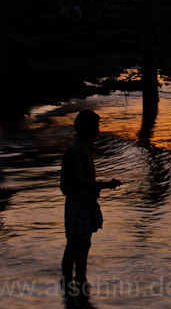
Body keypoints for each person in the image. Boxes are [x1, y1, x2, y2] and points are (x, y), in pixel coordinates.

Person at [60, 109, 121, 298]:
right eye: (95, 126)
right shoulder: (76, 149)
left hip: (82, 201)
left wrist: (100, 186)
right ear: (85, 127)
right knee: (76, 245)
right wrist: (104, 185)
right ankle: (73, 283)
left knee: (81, 244)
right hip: (78, 201)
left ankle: (75, 282)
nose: (98, 130)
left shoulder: (83, 146)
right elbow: (80, 181)